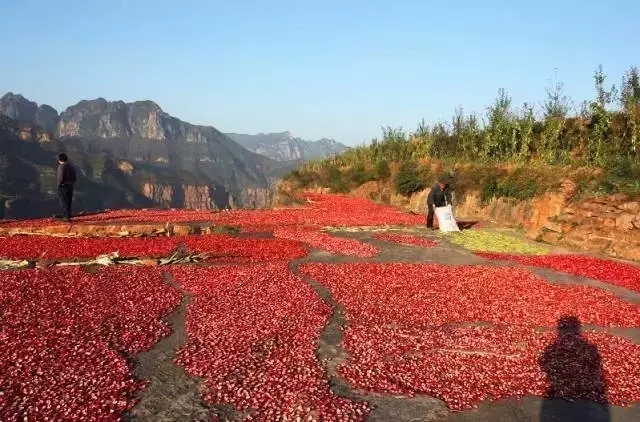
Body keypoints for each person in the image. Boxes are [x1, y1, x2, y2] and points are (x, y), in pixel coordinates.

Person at [56, 153, 76, 222]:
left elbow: (61, 177)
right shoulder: (71, 166)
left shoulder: (61, 167)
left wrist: (59, 184)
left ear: (59, 160)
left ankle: (65, 216)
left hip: (63, 186)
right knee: (68, 200)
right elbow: (74, 177)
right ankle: (68, 214)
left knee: (63, 201)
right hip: (70, 185)